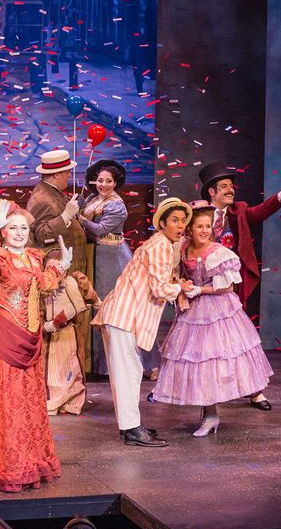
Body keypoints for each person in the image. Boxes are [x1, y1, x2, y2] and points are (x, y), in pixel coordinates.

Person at [0, 198, 70, 492]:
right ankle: (3, 466)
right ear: (4, 232)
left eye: (23, 227)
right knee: (4, 402)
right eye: (12, 228)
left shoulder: (33, 256)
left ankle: (28, 461)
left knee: (27, 403)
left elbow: (42, 284)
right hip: (3, 338)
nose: (19, 232)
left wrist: (59, 269)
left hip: (30, 338)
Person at [150, 201, 274, 433]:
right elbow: (175, 274)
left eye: (208, 226)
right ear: (189, 228)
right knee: (196, 362)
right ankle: (209, 414)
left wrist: (201, 290)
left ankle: (215, 413)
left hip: (217, 311)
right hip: (192, 311)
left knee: (214, 361)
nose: (204, 231)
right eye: (199, 226)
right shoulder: (183, 248)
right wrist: (182, 288)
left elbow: (227, 287)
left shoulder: (218, 253)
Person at [91, 197, 191, 448]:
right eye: (175, 221)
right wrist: (181, 287)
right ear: (163, 224)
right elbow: (159, 288)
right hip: (124, 314)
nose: (180, 226)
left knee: (130, 372)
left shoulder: (164, 244)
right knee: (128, 373)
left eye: (183, 221)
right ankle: (131, 429)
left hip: (125, 315)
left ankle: (131, 426)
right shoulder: (160, 245)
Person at [198, 161, 281, 314]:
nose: (230, 190)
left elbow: (261, 211)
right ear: (212, 192)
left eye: (231, 186)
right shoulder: (198, 214)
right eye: (224, 186)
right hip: (205, 280)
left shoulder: (238, 211)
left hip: (231, 283)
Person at [27, 149, 91, 374]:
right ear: (56, 175)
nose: (68, 178)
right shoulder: (42, 198)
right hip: (57, 274)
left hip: (67, 270)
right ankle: (58, 380)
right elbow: (43, 233)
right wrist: (65, 217)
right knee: (61, 328)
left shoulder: (52, 192)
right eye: (66, 174)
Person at [79, 159, 137, 376]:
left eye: (108, 181)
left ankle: (110, 364)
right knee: (95, 304)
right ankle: (94, 364)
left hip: (112, 258)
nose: (103, 185)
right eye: (100, 180)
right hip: (97, 256)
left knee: (108, 306)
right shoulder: (96, 198)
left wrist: (78, 218)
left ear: (115, 183)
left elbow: (100, 230)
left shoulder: (116, 205)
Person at [42, 262, 97, 416]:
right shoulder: (43, 289)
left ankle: (70, 401)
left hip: (66, 333)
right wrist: (50, 325)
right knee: (53, 372)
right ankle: (54, 401)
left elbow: (79, 305)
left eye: (58, 269)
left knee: (69, 368)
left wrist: (65, 318)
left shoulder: (69, 283)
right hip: (50, 336)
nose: (53, 272)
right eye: (49, 269)